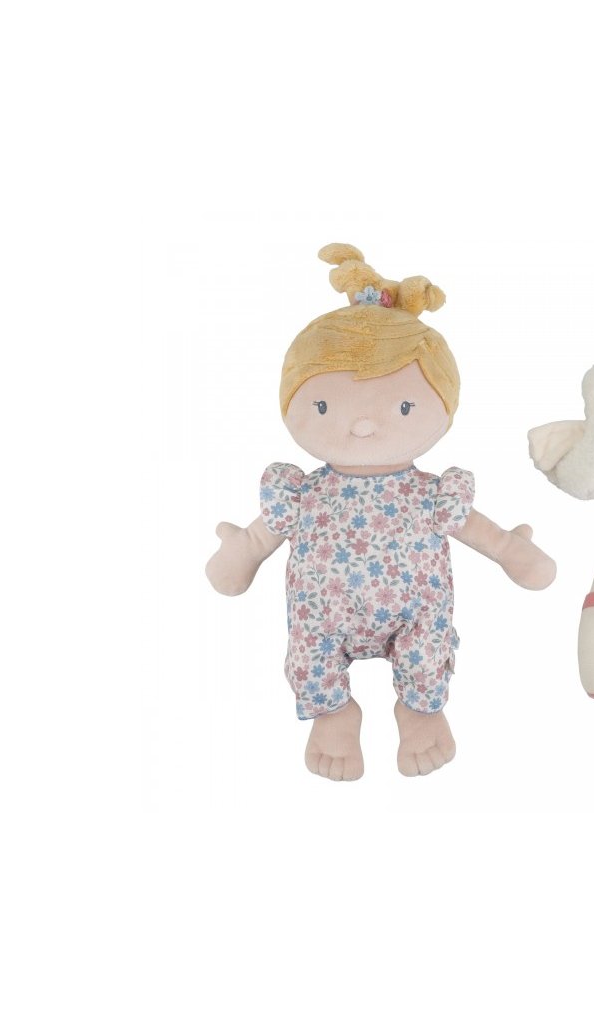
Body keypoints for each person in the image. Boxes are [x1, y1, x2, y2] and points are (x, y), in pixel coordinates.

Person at [206, 244, 555, 781]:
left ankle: (420, 709)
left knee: (426, 643)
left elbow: (475, 529)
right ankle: (333, 713)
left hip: (414, 615)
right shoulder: (299, 492)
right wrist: (242, 552)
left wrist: (510, 550)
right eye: (324, 406)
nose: (364, 424)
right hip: (322, 618)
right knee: (310, 651)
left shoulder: (434, 493)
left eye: (404, 406)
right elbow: (257, 541)